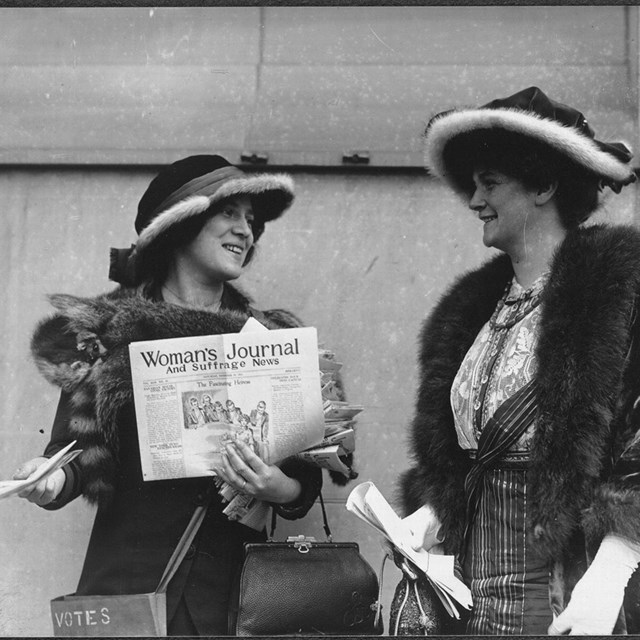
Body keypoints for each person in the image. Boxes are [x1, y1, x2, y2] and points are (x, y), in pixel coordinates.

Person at [13, 155, 323, 636]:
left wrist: (277, 487)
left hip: (235, 604)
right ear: (182, 223)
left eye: (252, 221)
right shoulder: (112, 334)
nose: (246, 231)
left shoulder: (268, 340)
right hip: (130, 595)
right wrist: (47, 481)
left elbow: (305, 478)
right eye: (230, 213)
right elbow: (73, 454)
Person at [397, 87, 640, 635]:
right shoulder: (469, 313)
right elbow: (465, 453)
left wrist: (611, 574)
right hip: (464, 590)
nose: (474, 200)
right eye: (473, 184)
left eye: (490, 183)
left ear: (545, 185)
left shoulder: (619, 293)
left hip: (565, 589)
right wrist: (433, 510)